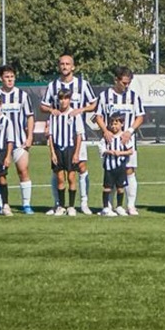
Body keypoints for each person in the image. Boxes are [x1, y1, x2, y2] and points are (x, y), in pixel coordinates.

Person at [40, 54, 96, 214]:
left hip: (77, 135)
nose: (65, 66)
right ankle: (58, 203)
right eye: (62, 64)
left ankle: (83, 203)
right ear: (59, 66)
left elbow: (93, 104)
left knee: (81, 167)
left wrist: (81, 109)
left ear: (73, 67)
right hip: (59, 135)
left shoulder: (82, 84)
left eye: (67, 64)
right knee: (57, 171)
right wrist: (52, 110)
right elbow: (43, 106)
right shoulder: (53, 85)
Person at [94, 65, 145, 215]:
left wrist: (129, 131)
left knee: (129, 171)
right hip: (111, 142)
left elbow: (140, 116)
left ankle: (130, 205)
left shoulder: (134, 96)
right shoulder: (105, 96)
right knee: (111, 171)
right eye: (124, 82)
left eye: (128, 82)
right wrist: (105, 131)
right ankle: (108, 206)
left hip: (127, 140)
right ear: (116, 80)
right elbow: (98, 116)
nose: (126, 85)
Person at [0, 65, 35, 213]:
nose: (10, 79)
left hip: (19, 141)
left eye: (12, 76)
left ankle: (26, 204)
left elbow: (30, 116)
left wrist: (30, 136)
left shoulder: (22, 95)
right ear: (1, 79)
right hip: (0, 143)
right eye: (6, 77)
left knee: (23, 171)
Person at [48, 88, 84, 216]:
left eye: (66, 98)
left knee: (71, 177)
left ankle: (72, 206)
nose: (63, 101)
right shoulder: (54, 115)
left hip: (70, 148)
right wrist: (52, 152)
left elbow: (79, 135)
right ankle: (61, 206)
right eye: (61, 99)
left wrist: (76, 153)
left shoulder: (74, 114)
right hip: (58, 148)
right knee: (60, 178)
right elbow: (50, 135)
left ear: (69, 99)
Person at [99, 112, 134, 217]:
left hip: (120, 167)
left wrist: (121, 153)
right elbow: (101, 149)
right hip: (109, 167)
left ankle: (119, 206)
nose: (114, 126)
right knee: (107, 188)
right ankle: (106, 207)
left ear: (122, 124)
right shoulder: (107, 137)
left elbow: (130, 151)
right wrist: (109, 152)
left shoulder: (124, 137)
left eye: (116, 124)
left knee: (120, 187)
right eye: (112, 124)